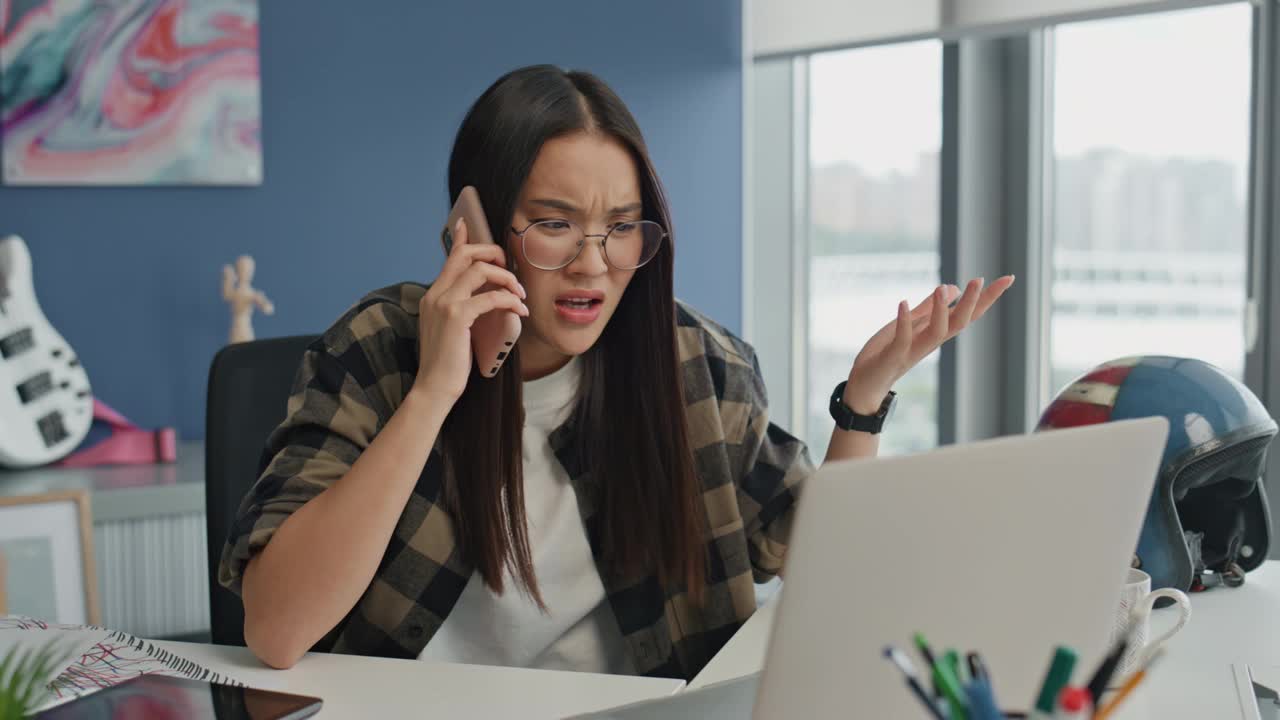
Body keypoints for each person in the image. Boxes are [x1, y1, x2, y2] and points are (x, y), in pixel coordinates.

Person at [217, 65, 1013, 679]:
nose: (594, 266)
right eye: (555, 225)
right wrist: (435, 391)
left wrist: (862, 405)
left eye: (623, 227)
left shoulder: (693, 361)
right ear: (476, 228)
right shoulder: (378, 348)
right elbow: (278, 630)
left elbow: (827, 563)